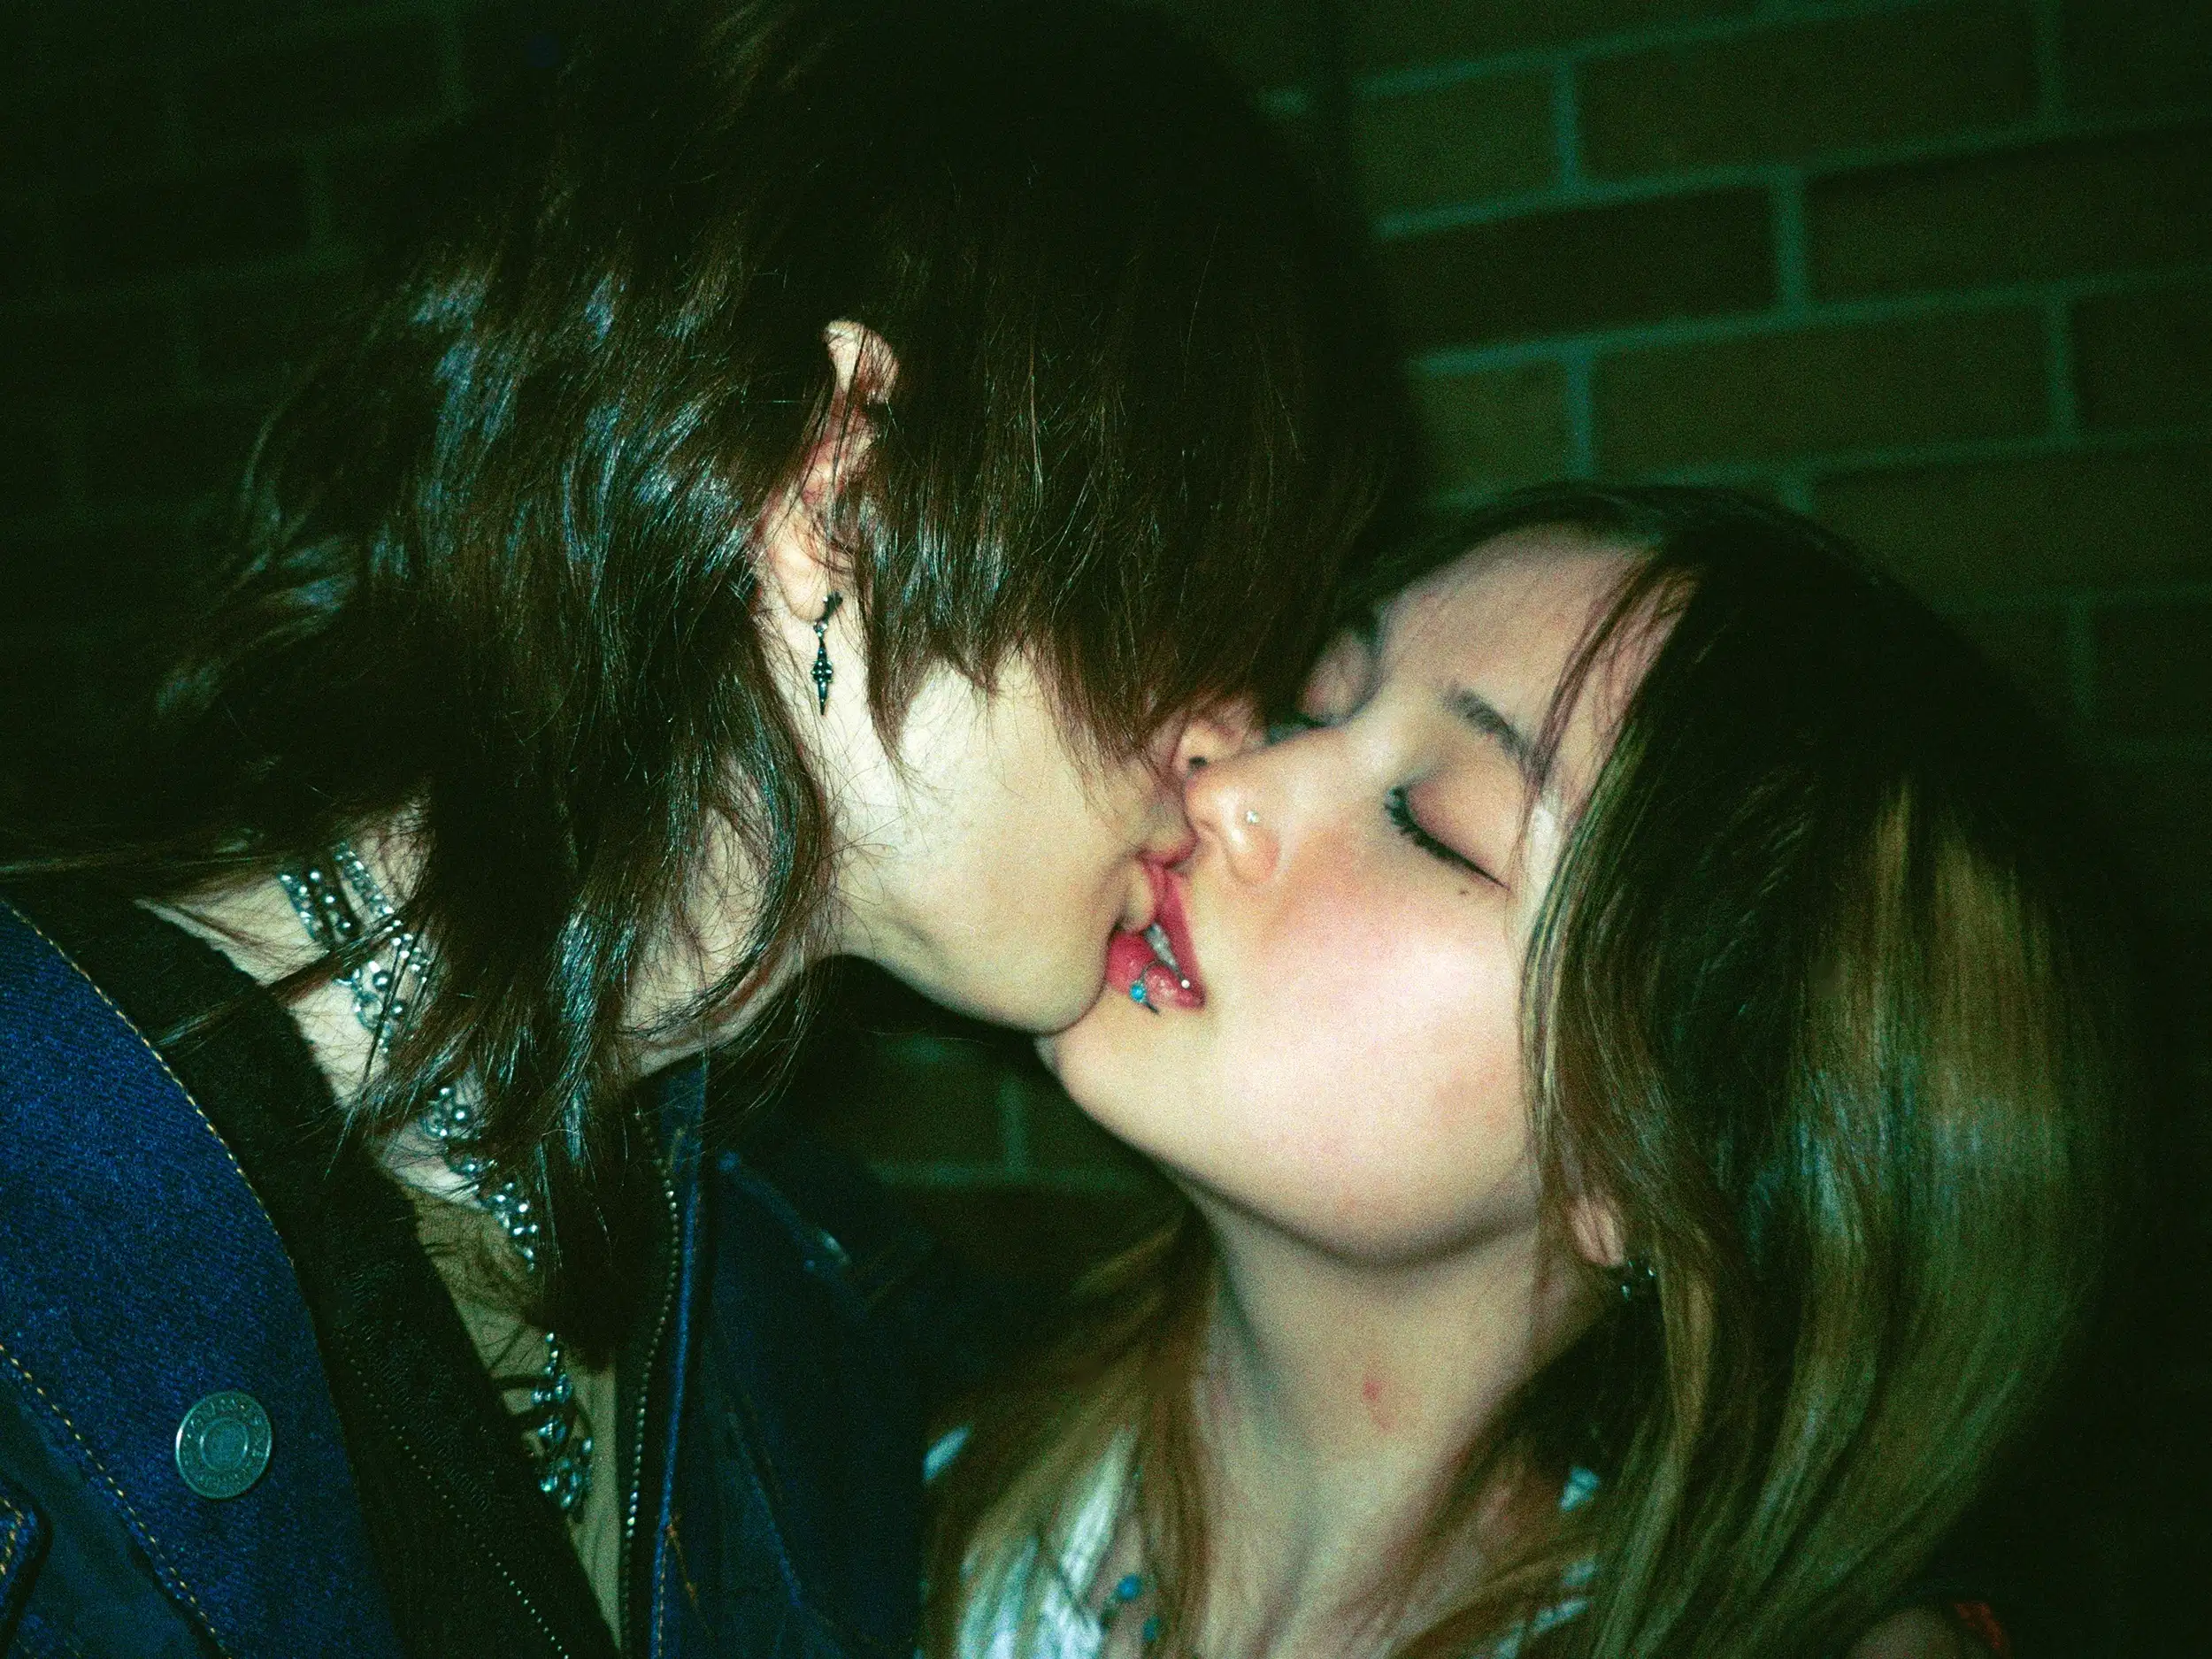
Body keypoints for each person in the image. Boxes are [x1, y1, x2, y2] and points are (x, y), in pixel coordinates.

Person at [0, 2, 1404, 1654]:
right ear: (844, 488)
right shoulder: (44, 1238)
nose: (1233, 751)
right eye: (1205, 610)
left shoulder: (786, 1293)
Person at [926, 487, 2135, 1659]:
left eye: (1424, 819)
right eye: (1308, 707)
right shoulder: (880, 1438)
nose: (1222, 783)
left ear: (1644, 1156)